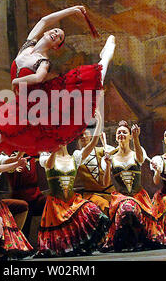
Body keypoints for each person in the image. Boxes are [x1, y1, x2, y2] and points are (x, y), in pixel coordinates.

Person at [0, 5, 116, 169]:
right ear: (45, 33)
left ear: (56, 46)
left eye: (59, 37)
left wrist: (17, 82)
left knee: (90, 77)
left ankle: (106, 55)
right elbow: (45, 20)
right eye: (54, 31)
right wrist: (72, 11)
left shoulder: (44, 61)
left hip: (37, 102)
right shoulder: (27, 46)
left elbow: (38, 77)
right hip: (20, 103)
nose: (55, 33)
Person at [36, 110, 111, 257]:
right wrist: (52, 148)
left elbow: (93, 143)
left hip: (72, 202)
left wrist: (99, 122)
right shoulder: (45, 157)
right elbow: (49, 164)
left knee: (91, 209)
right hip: (56, 205)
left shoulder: (75, 157)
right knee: (60, 247)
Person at [100, 121, 166, 252]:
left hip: (138, 196)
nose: (121, 134)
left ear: (130, 136)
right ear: (115, 137)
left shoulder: (137, 152)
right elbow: (105, 182)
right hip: (121, 197)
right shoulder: (110, 157)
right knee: (127, 207)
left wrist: (137, 138)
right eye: (118, 132)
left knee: (133, 207)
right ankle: (126, 241)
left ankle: (138, 240)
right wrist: (108, 165)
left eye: (124, 132)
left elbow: (140, 158)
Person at [0, 152, 46, 239]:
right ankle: (23, 248)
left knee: (51, 205)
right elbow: (8, 165)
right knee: (25, 221)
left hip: (37, 196)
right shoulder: (11, 158)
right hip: (21, 196)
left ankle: (49, 241)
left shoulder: (34, 156)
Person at [73, 128, 115, 215]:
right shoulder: (77, 155)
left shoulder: (102, 150)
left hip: (110, 193)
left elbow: (113, 154)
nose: (84, 137)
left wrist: (104, 143)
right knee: (102, 205)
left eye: (86, 134)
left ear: (91, 135)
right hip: (92, 195)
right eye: (81, 135)